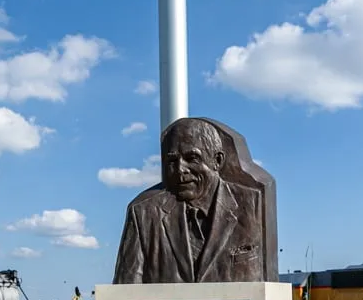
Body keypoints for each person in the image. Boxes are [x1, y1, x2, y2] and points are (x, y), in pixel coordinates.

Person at [113, 118, 265, 284]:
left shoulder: (252, 204)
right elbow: (126, 293)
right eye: (172, 161)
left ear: (217, 161)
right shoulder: (143, 213)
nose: (180, 169)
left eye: (192, 158)